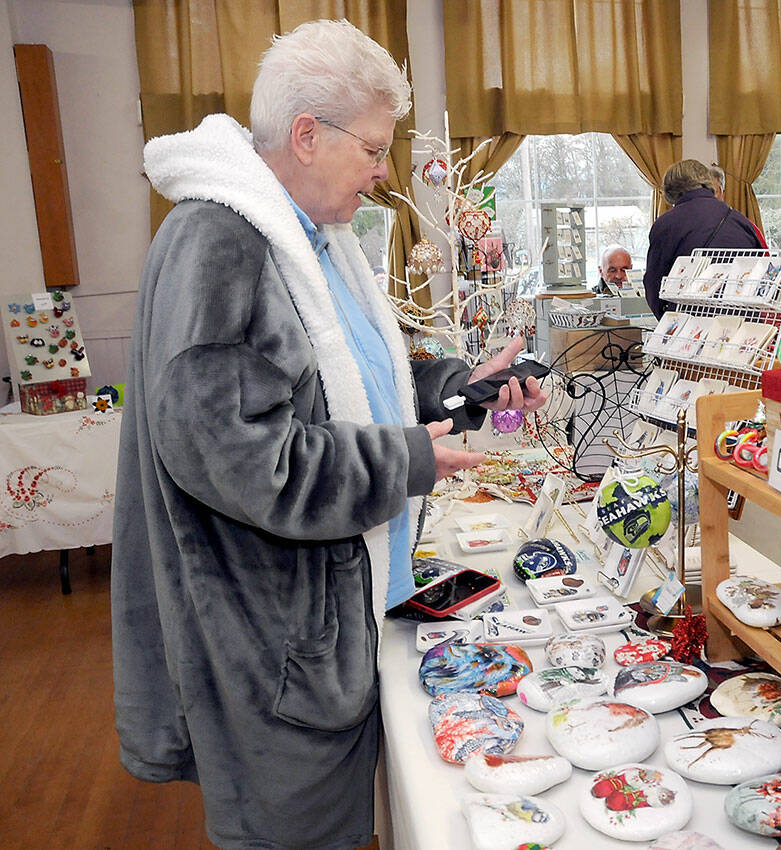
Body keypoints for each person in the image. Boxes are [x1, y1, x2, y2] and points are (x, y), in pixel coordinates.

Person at [111, 20, 546, 850]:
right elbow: (241, 459)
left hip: (331, 623)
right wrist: (408, 459)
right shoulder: (220, 243)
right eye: (375, 150)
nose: (384, 175)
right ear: (306, 136)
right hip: (270, 648)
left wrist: (458, 388)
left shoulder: (316, 240)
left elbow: (353, 385)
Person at [642, 159, 766, 318]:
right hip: (741, 321)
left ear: (671, 190)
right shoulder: (740, 220)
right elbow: (762, 269)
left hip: (690, 324)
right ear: (709, 184)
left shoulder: (665, 225)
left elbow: (654, 284)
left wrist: (667, 318)